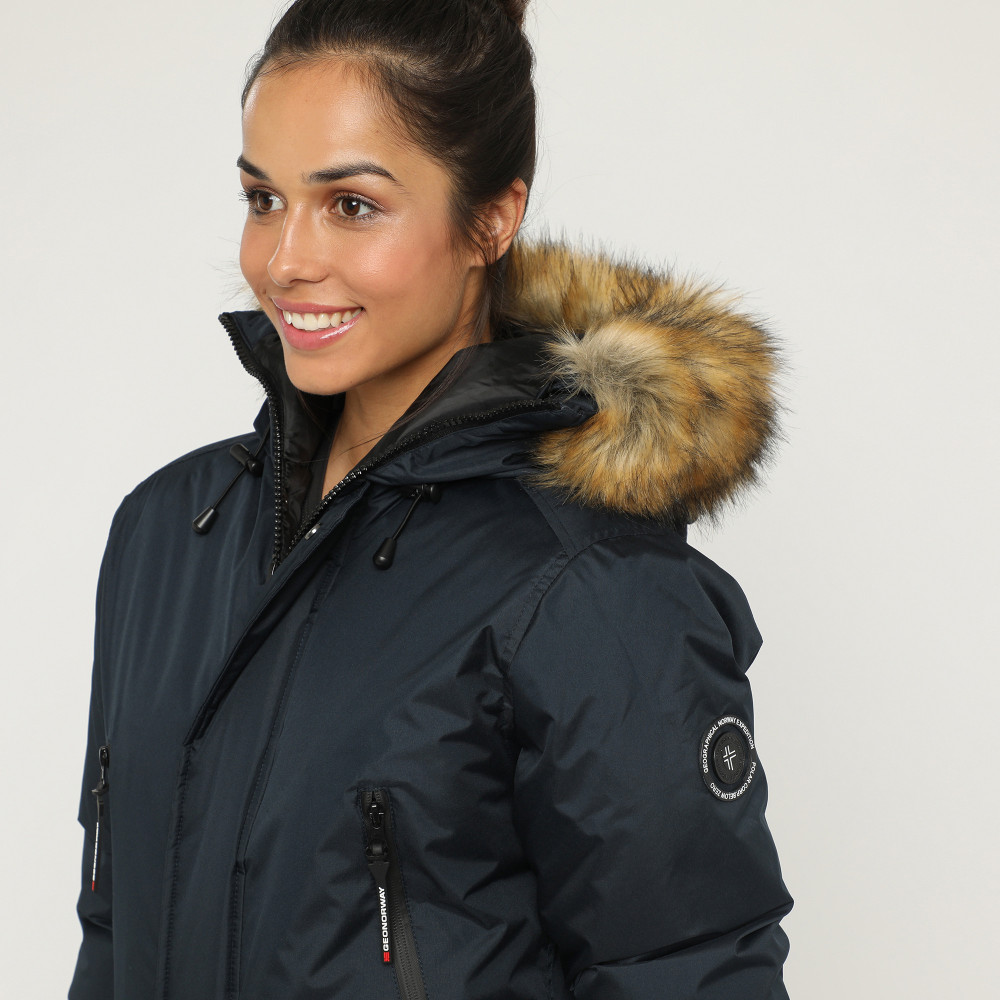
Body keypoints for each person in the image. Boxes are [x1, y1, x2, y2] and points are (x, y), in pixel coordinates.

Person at [69, 1, 792, 997]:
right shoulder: (166, 532)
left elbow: (687, 971)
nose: (284, 261)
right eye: (264, 199)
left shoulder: (586, 582)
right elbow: (111, 934)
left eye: (351, 205)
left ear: (490, 219)